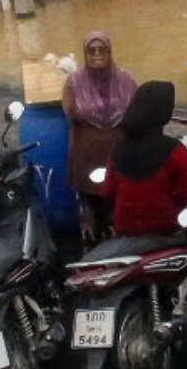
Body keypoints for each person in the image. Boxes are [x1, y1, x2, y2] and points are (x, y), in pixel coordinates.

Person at [62, 31, 137, 235]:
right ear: (84, 54)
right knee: (91, 202)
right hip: (86, 154)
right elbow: (70, 112)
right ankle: (93, 234)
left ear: (110, 52)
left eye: (102, 50)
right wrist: (96, 111)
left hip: (117, 152)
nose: (97, 54)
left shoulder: (126, 79)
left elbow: (136, 111)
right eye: (91, 50)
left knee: (118, 198)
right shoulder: (74, 82)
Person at [101, 80, 187, 237]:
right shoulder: (175, 150)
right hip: (165, 228)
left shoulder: (117, 150)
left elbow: (108, 193)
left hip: (124, 229)